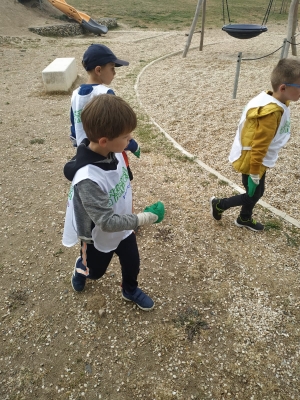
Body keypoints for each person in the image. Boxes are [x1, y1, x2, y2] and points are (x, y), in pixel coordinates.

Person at [62, 94, 165, 311]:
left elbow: (124, 183)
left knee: (132, 263)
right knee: (95, 272)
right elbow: (106, 222)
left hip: (124, 229)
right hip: (99, 234)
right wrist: (143, 218)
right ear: (104, 140)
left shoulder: (114, 150)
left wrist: (131, 216)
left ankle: (129, 289)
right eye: (126, 137)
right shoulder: (89, 179)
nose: (130, 140)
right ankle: (81, 267)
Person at [210, 58, 300, 232]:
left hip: (259, 161)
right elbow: (259, 146)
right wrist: (254, 172)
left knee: (256, 193)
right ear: (283, 88)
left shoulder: (272, 98)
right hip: (254, 162)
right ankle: (220, 204)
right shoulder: (270, 115)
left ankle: (244, 217)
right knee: (254, 193)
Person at [69, 43, 140, 180]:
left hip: (86, 155)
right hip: (108, 151)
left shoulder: (75, 94)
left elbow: (73, 127)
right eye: (112, 68)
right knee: (119, 182)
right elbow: (117, 129)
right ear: (98, 70)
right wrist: (132, 145)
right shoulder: (106, 94)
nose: (114, 73)